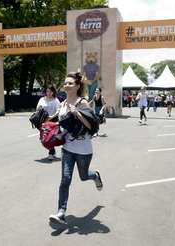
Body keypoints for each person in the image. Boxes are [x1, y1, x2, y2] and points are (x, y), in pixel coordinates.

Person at [49, 72, 103, 225]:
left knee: (84, 176)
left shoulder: (83, 102)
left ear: (78, 86)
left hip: (84, 150)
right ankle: (61, 212)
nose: (67, 85)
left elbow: (92, 126)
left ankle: (95, 176)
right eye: (65, 83)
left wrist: (77, 113)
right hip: (67, 148)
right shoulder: (63, 103)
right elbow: (60, 123)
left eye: (70, 83)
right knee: (65, 180)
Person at [36, 86, 61, 160]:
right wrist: (40, 109)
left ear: (53, 92)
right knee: (45, 138)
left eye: (50, 91)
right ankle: (52, 151)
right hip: (43, 121)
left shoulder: (55, 100)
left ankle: (51, 153)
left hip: (52, 121)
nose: (48, 93)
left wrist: (52, 116)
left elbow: (58, 110)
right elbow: (37, 109)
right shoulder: (42, 99)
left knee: (50, 137)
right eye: (47, 91)